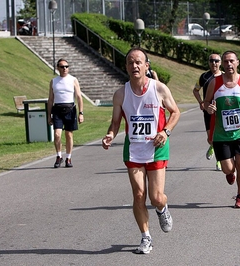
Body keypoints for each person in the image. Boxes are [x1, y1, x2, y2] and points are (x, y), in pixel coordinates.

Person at [102, 47, 180, 254]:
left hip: (157, 148)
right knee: (138, 195)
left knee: (156, 197)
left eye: (138, 62)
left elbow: (175, 112)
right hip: (134, 150)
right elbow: (115, 122)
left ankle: (162, 209)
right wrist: (110, 134)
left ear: (146, 65)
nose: (134, 65)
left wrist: (166, 131)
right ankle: (146, 237)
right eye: (130, 62)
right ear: (126, 66)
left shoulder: (159, 89)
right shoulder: (120, 94)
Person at [204, 50, 240, 209]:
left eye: (231, 61)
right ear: (222, 63)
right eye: (226, 61)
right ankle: (230, 173)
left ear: (237, 63)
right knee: (228, 168)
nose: (229, 64)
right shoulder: (214, 83)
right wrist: (209, 108)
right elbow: (206, 102)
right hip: (221, 133)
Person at [47, 59, 84, 168]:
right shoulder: (54, 81)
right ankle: (59, 156)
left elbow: (79, 97)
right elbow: (50, 99)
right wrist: (49, 115)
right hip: (57, 109)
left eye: (66, 66)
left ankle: (68, 157)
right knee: (57, 134)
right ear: (58, 68)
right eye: (62, 67)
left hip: (70, 109)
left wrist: (81, 113)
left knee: (69, 135)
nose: (65, 69)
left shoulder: (73, 80)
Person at [192, 54, 223, 171]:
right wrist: (201, 102)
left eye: (216, 61)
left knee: (220, 136)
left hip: (221, 110)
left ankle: (219, 161)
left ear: (220, 63)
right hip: (208, 110)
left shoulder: (224, 76)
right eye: (211, 61)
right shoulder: (204, 76)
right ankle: (212, 146)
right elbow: (195, 90)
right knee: (211, 138)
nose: (214, 63)